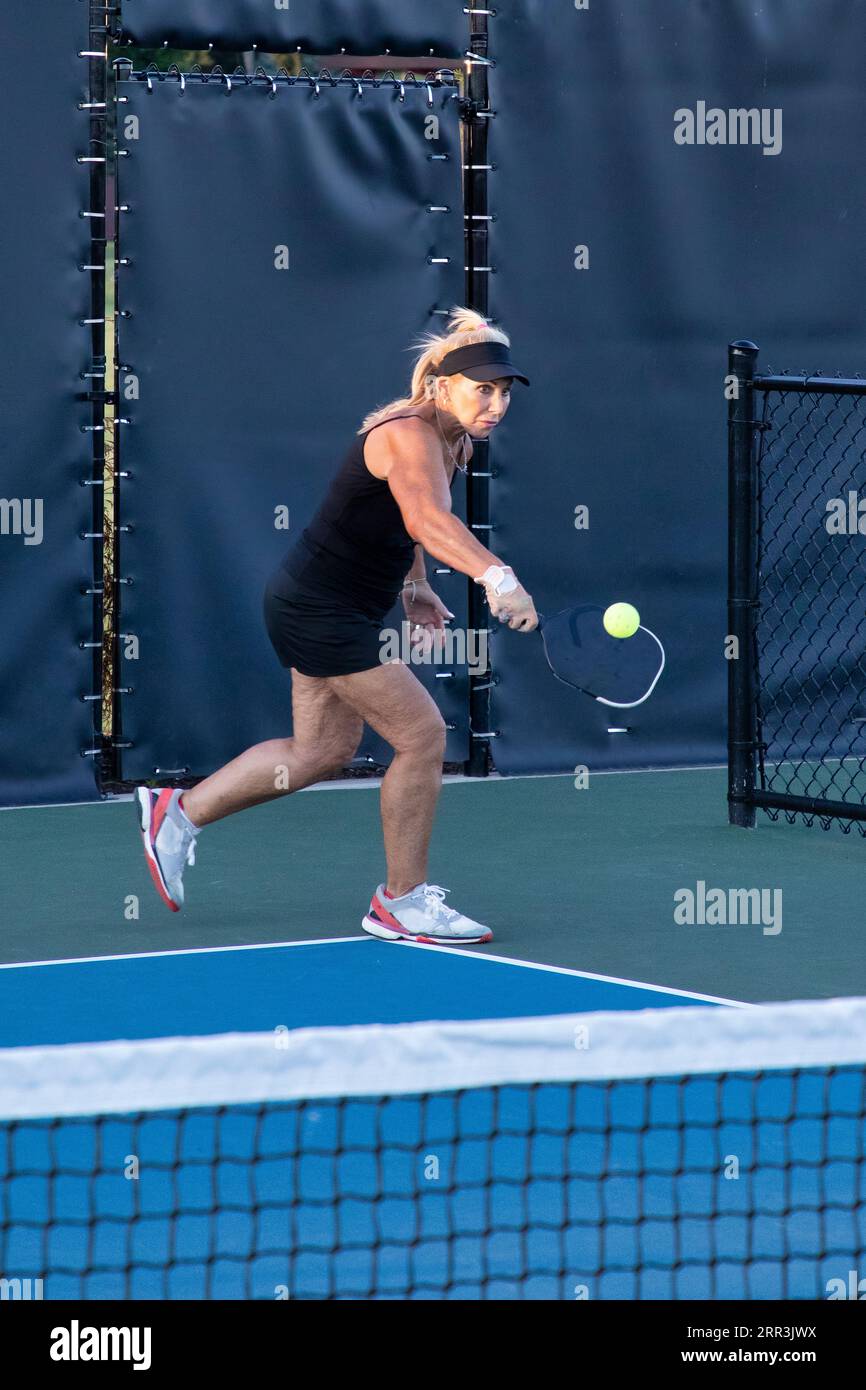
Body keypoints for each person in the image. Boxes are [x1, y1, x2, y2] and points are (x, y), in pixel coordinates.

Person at [136, 307, 537, 944]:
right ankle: (399, 903)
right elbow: (430, 522)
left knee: (319, 751)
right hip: (318, 609)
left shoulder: (454, 438)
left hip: (333, 604)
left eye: (503, 393)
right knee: (423, 734)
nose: (495, 404)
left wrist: (415, 584)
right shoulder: (408, 435)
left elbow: (403, 517)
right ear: (440, 387)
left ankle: (178, 813)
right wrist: (497, 578)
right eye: (481, 390)